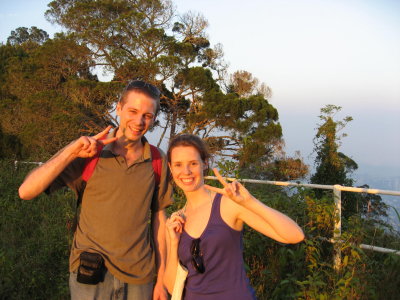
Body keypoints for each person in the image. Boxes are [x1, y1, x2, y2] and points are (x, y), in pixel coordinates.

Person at [18, 80, 173, 300]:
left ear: (154, 118)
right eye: (133, 111)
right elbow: (26, 191)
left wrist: (162, 277)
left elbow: (159, 219)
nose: (139, 121)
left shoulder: (157, 159)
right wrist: (71, 152)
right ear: (118, 108)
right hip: (91, 274)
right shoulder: (90, 153)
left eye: (147, 115)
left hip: (139, 278)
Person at [163, 134, 305, 300]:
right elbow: (172, 287)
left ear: (205, 163)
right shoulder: (176, 221)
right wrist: (173, 243)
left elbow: (295, 235)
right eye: (178, 165)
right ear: (171, 168)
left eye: (193, 163)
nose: (186, 172)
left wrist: (250, 202)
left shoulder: (227, 204)